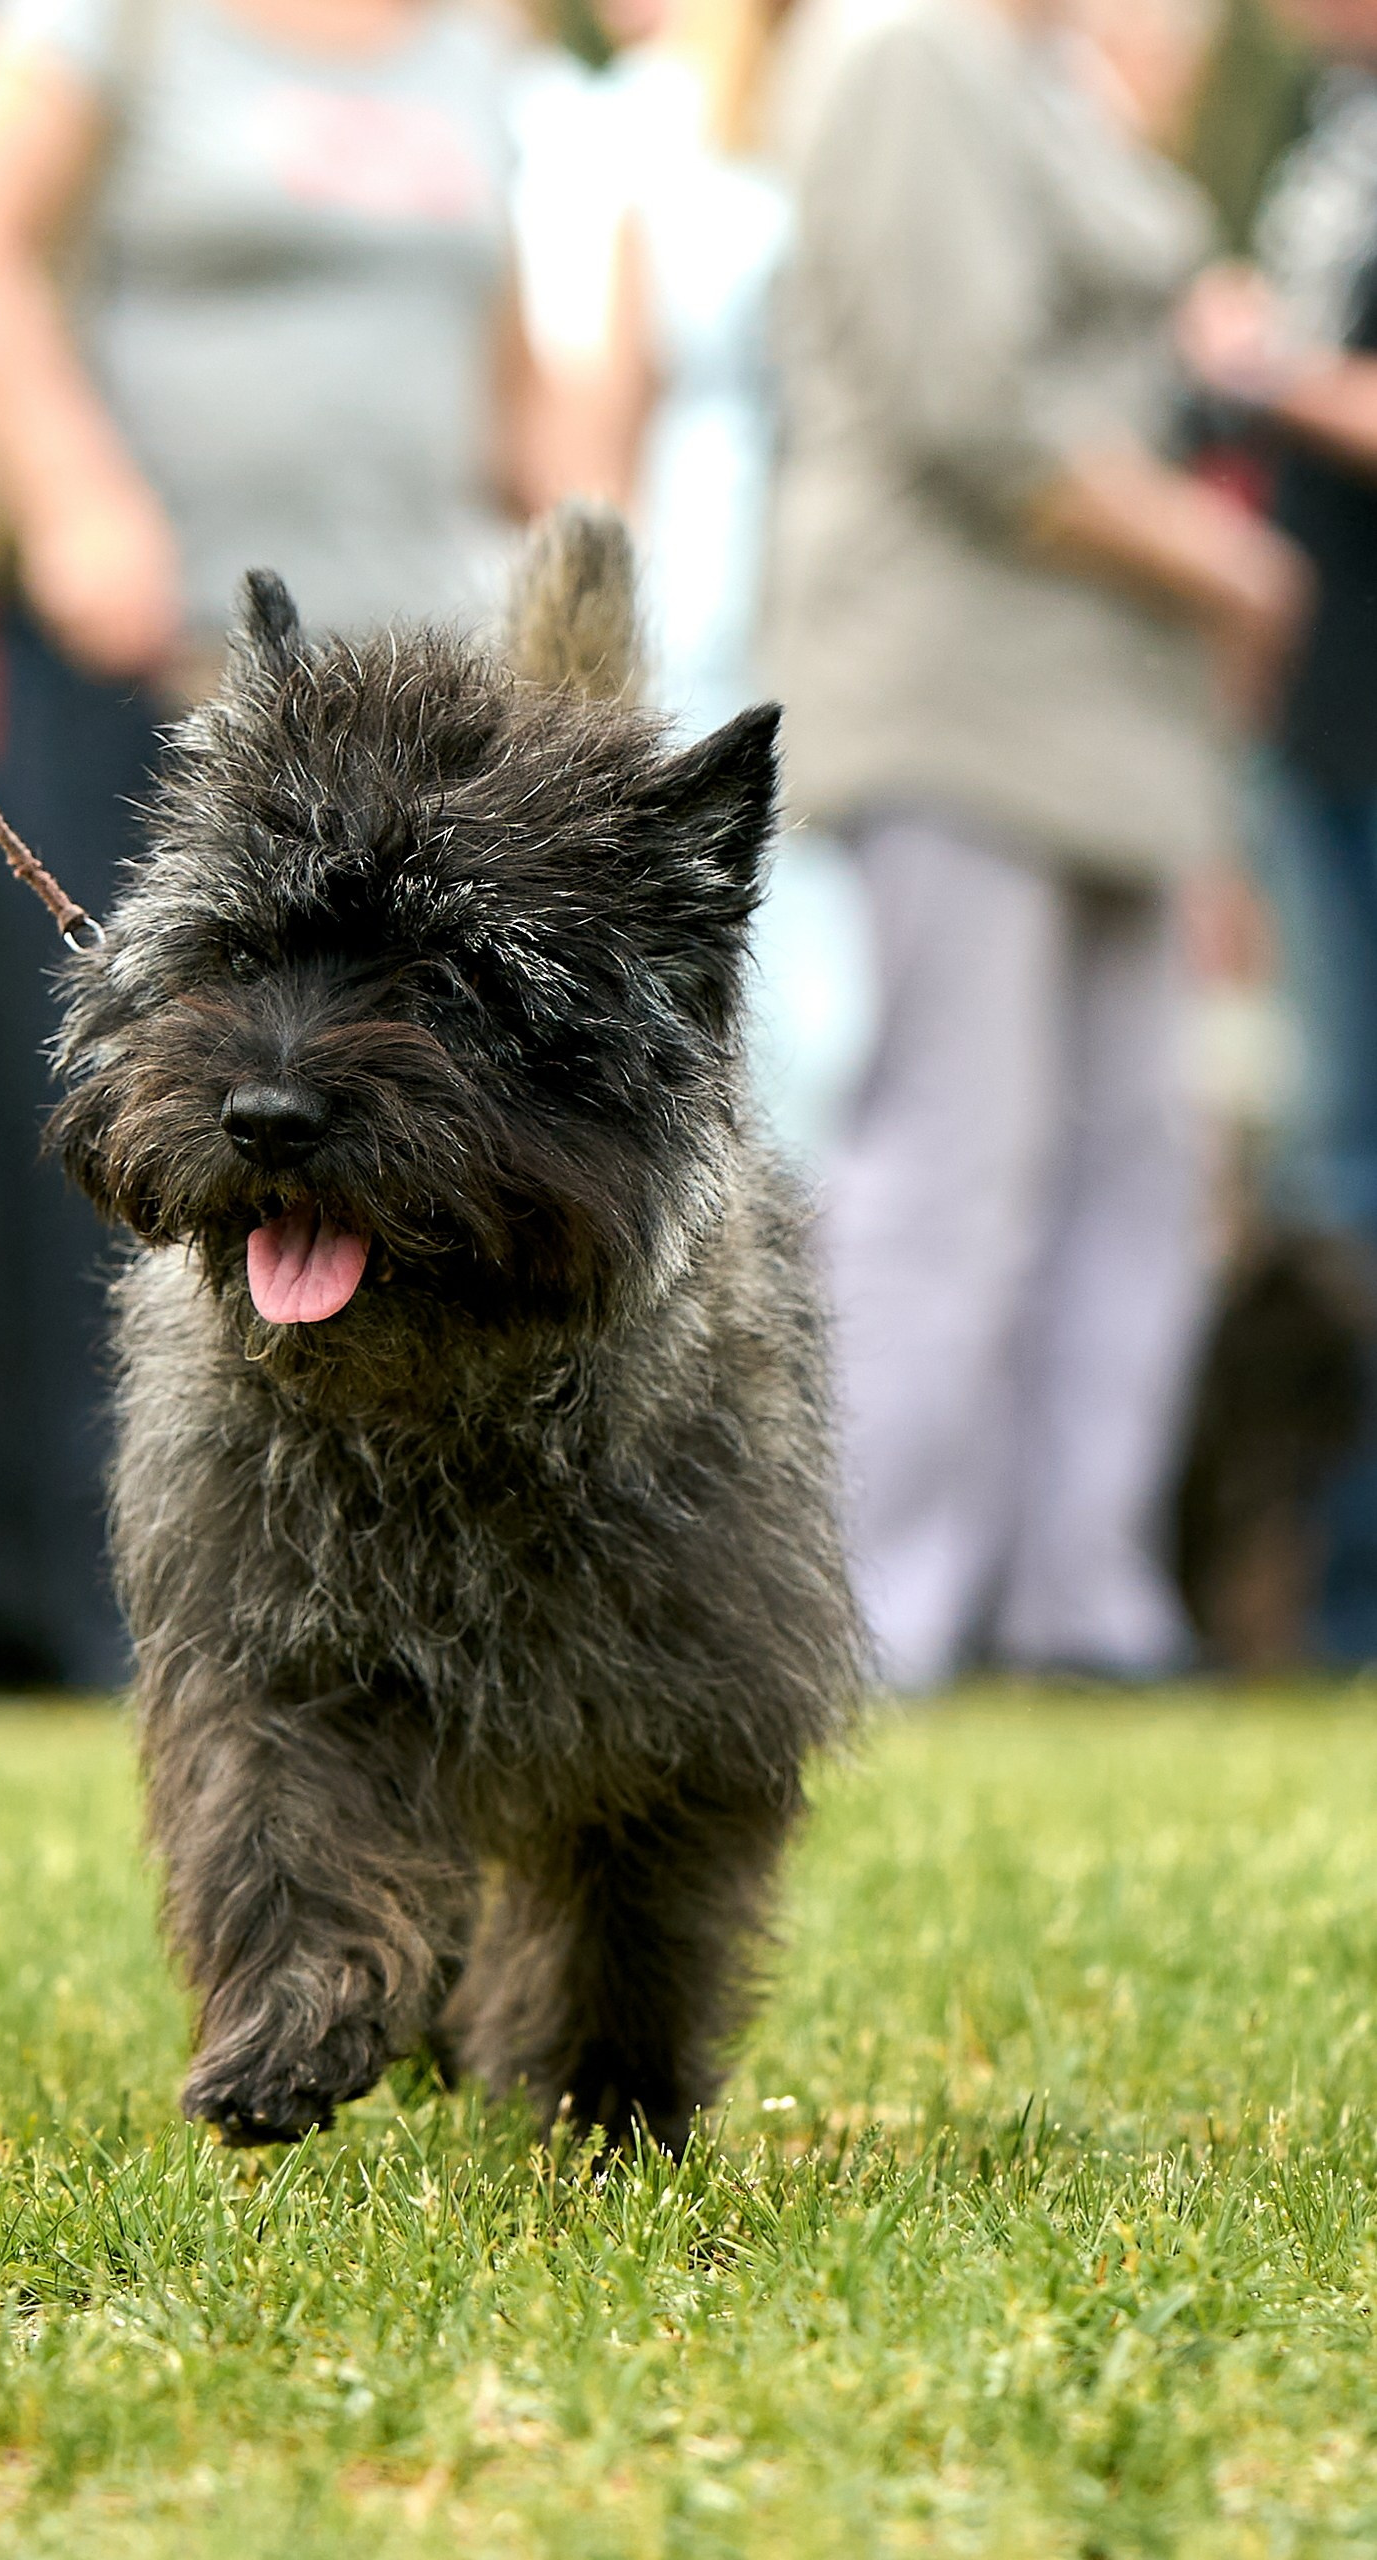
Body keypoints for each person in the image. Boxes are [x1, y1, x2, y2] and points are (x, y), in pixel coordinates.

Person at [0, 0, 547, 1684]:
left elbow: (515, 379)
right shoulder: (103, 21)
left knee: (413, 1162)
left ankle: (398, 1618)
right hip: (167, 671)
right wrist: (69, 490)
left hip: (419, 731)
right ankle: (115, 1605)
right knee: (141, 1138)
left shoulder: (474, 41)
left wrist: (573, 584)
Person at [762, 0, 1310, 1691]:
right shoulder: (904, 50)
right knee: (956, 1154)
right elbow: (972, 408)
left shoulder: (1048, 74)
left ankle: (1087, 1603)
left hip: (1116, 722)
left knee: (1136, 1160)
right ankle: (878, 1611)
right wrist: (1228, 568)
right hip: (954, 688)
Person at [527, 0, 877, 1162]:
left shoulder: (864, 74)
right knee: (759, 971)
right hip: (699, 565)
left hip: (837, 582)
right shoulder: (640, 120)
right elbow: (601, 408)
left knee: (839, 1009)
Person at [1183, 0, 1377, 1656]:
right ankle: (1324, 1604)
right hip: (1317, 731)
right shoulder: (1330, 119)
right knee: (1329, 1172)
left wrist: (1267, 369)